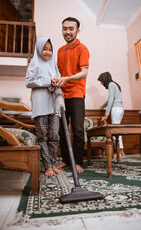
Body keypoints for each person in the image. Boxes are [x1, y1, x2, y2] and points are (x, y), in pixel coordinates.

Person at [56, 17, 90, 173]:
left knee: (77, 129)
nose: (67, 32)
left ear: (77, 30)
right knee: (62, 130)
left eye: (71, 28)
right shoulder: (59, 51)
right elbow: (58, 72)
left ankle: (77, 161)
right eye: (65, 28)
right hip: (61, 96)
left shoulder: (82, 48)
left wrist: (67, 78)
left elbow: (84, 73)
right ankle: (65, 160)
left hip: (76, 93)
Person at [25, 37, 63, 176]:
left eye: (50, 49)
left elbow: (57, 80)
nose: (48, 52)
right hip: (40, 104)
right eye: (45, 49)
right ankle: (47, 166)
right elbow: (28, 82)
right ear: (39, 49)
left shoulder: (53, 64)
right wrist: (48, 81)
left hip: (54, 103)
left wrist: (57, 82)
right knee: (43, 136)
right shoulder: (34, 63)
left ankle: (52, 164)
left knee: (54, 135)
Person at [97, 72, 125, 157]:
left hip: (116, 109)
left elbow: (111, 100)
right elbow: (109, 100)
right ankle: (122, 152)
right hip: (120, 109)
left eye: (101, 81)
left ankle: (119, 152)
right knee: (118, 131)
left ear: (105, 79)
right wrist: (100, 108)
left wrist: (106, 114)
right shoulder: (114, 85)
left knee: (115, 131)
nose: (101, 83)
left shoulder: (111, 85)